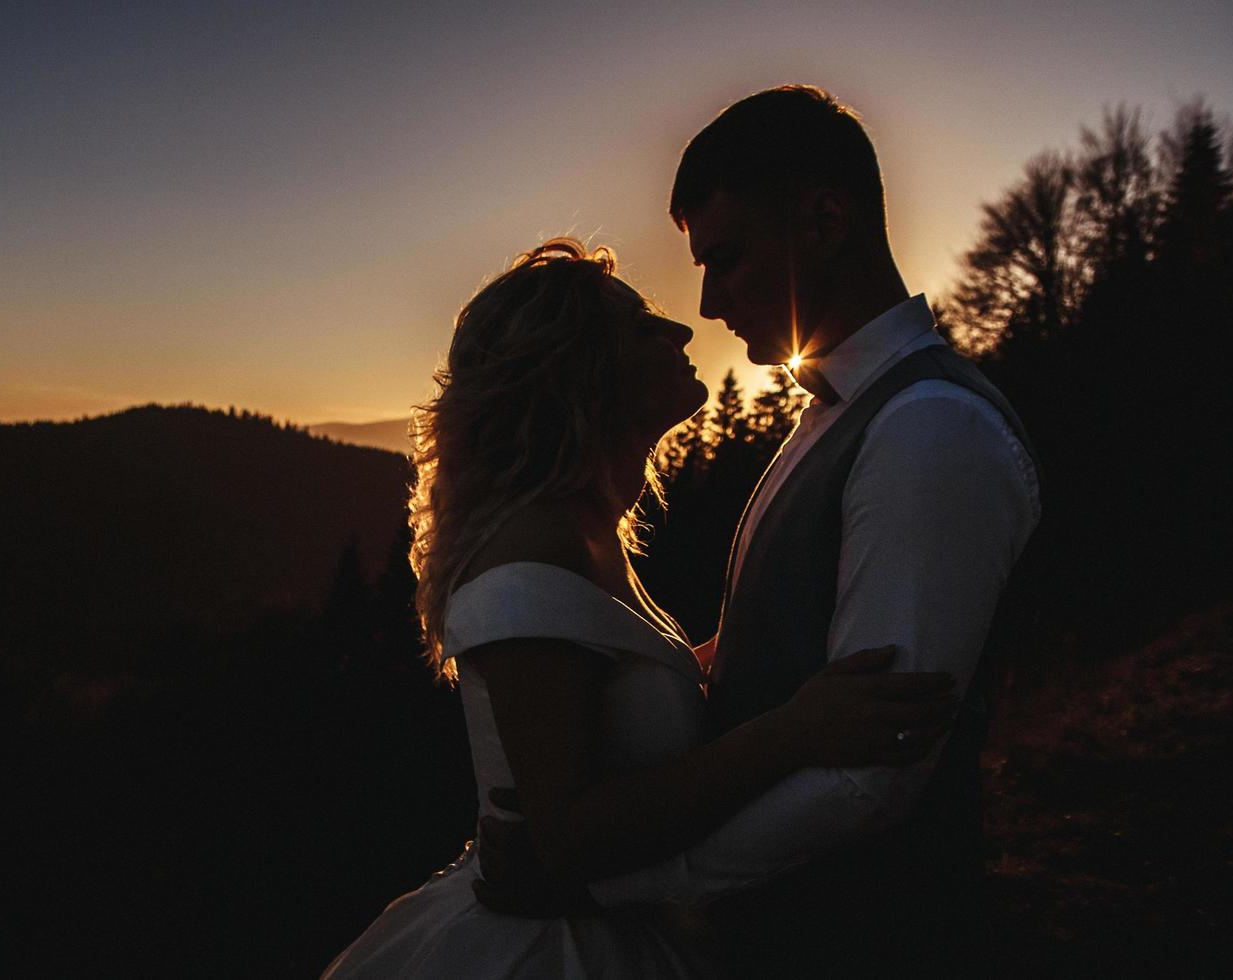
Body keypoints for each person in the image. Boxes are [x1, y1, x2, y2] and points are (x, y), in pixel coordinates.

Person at [476, 86, 1043, 976]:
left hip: (868, 942)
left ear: (824, 220)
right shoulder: (840, 418)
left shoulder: (929, 430)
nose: (703, 305)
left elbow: (872, 775)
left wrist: (628, 882)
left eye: (727, 259)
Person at [319, 240, 961, 978]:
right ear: (582, 372)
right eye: (642, 327)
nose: (683, 332)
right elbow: (564, 838)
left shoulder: (584, 529)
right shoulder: (531, 557)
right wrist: (793, 733)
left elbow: (619, 693)